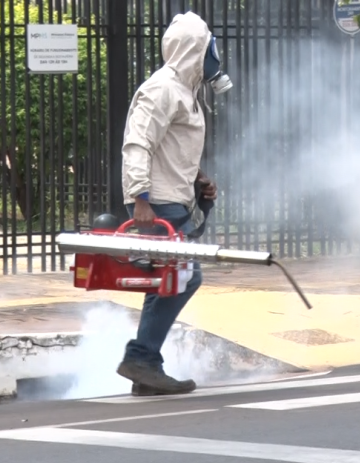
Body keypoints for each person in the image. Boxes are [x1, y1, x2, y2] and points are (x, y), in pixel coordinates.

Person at [115, 11, 233, 396]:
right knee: (186, 276)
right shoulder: (162, 88)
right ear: (194, 49)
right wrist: (140, 200)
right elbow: (138, 143)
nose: (213, 56)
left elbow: (172, 149)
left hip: (172, 200)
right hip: (159, 204)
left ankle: (145, 367)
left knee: (169, 280)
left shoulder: (185, 93)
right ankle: (142, 357)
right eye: (208, 47)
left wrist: (199, 180)